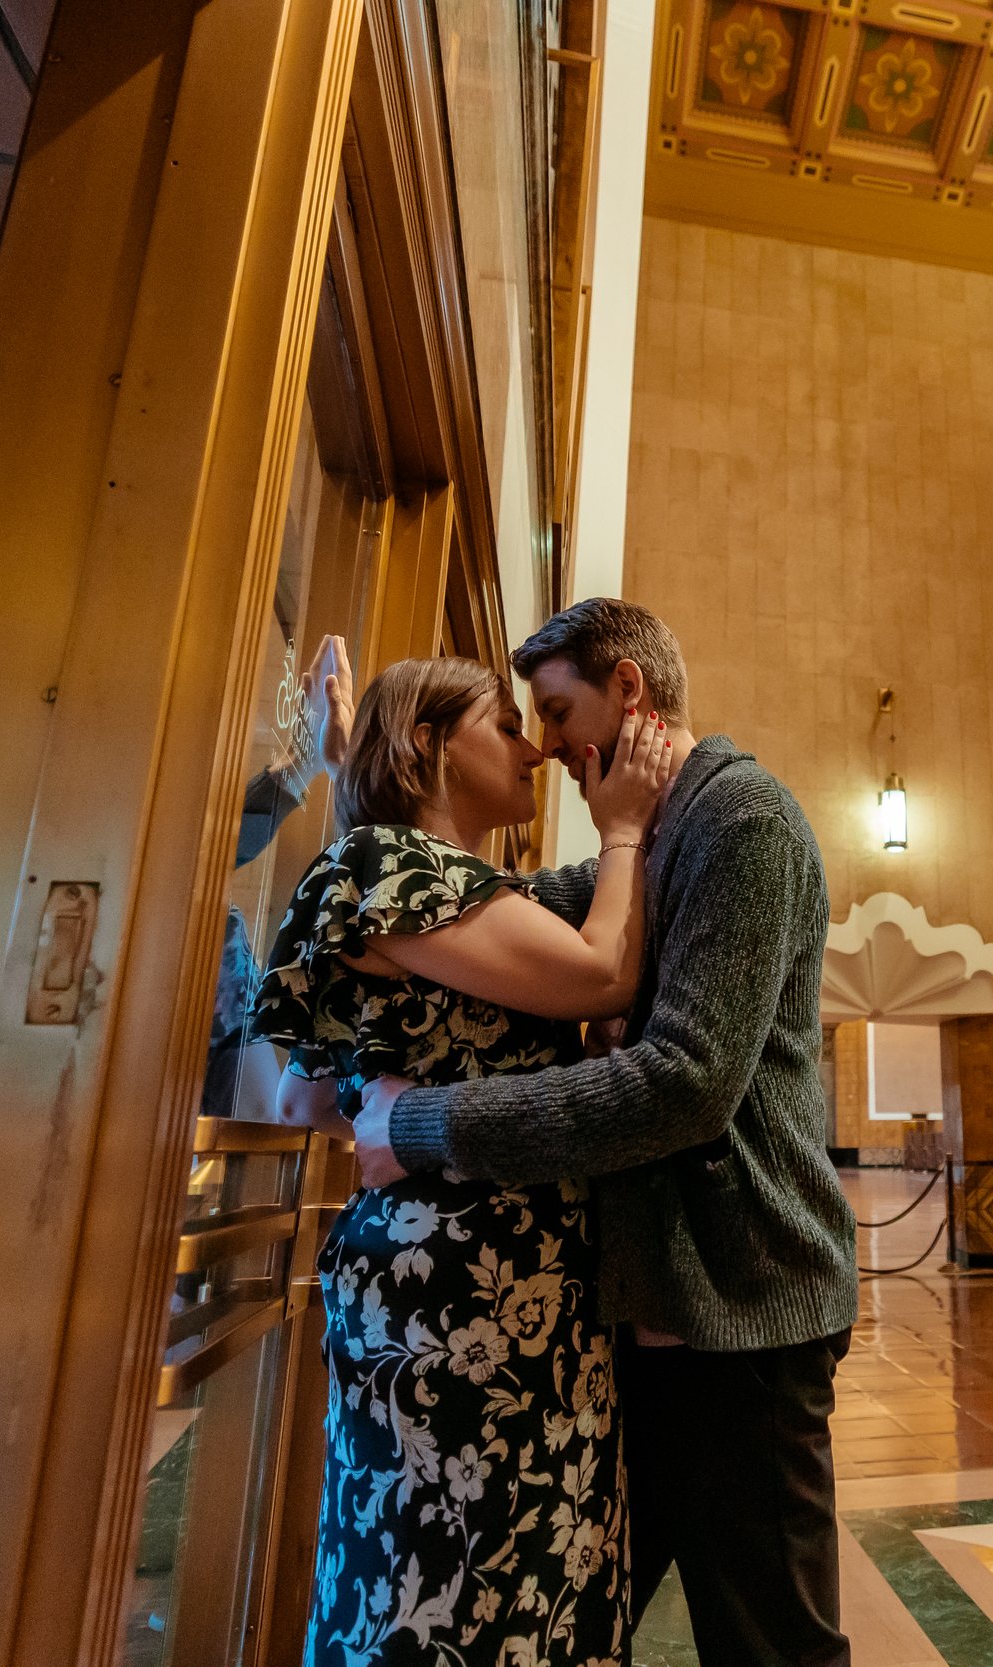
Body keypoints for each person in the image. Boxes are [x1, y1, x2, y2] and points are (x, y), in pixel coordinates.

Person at [356, 599, 860, 1667]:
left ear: (627, 689)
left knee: (774, 1647)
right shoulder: (652, 843)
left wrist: (421, 1120)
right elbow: (488, 910)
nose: (545, 746)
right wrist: (356, 777)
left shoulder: (743, 821)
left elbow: (683, 1086)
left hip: (747, 1314)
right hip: (658, 1319)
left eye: (554, 711)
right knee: (574, 1623)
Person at [248, 655, 672, 1667]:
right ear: (428, 742)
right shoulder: (394, 863)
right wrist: (622, 829)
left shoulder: (431, 879)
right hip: (463, 1301)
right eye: (506, 724)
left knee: (472, 1570)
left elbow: (307, 1093)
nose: (533, 748)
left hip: (491, 1290)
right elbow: (599, 971)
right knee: (454, 1582)